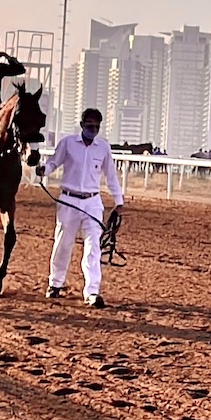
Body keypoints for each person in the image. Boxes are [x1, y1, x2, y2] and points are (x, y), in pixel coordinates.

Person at [35, 107, 125, 309]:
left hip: (92, 202)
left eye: (96, 126)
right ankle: (55, 283)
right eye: (90, 125)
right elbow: (54, 163)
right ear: (82, 125)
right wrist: (44, 170)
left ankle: (92, 291)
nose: (93, 129)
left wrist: (119, 202)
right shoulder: (67, 143)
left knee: (93, 247)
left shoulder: (103, 148)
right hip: (69, 200)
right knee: (63, 244)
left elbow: (111, 176)